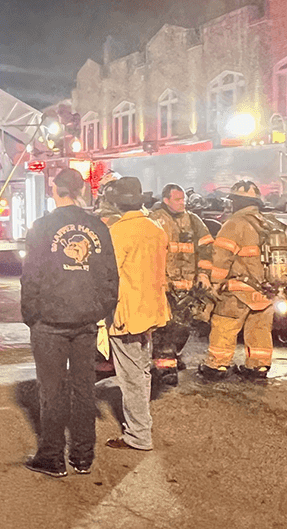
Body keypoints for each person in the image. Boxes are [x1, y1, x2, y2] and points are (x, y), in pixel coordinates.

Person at [20, 168, 119, 477]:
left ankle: (51, 456)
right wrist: (100, 309)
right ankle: (83, 456)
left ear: (55, 190)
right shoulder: (98, 227)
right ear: (81, 191)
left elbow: (31, 276)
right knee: (84, 389)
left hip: (50, 322)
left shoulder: (42, 227)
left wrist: (31, 314)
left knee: (51, 390)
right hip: (86, 321)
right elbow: (110, 276)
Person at [199, 181, 287, 382]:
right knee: (259, 331)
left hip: (239, 291)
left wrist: (214, 283)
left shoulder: (234, 224)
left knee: (224, 325)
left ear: (239, 202)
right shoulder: (269, 223)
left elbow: (222, 257)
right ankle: (258, 368)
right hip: (268, 291)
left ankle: (216, 366)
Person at [106, 176, 169, 451]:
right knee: (142, 371)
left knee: (131, 376)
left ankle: (138, 435)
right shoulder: (156, 229)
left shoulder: (117, 233)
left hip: (127, 313)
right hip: (152, 311)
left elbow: (110, 276)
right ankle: (142, 426)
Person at [149, 183, 215, 386]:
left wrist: (203, 275)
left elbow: (206, 248)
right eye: (177, 200)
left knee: (182, 328)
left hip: (187, 288)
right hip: (164, 286)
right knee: (164, 329)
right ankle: (165, 369)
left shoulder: (193, 221)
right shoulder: (154, 220)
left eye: (183, 200)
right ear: (166, 200)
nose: (182, 203)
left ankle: (171, 359)